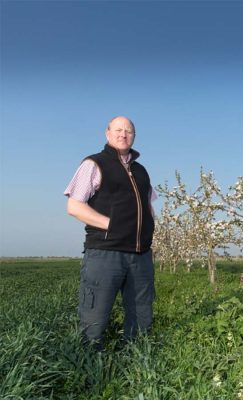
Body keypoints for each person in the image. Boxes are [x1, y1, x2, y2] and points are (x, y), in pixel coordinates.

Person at [64, 116, 156, 351]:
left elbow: (148, 206)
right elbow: (75, 206)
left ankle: (137, 365)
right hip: (106, 252)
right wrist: (112, 225)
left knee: (141, 315)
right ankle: (90, 370)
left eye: (129, 131)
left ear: (134, 136)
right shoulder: (94, 164)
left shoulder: (141, 171)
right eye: (118, 129)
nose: (123, 134)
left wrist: (148, 229)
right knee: (95, 315)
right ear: (107, 133)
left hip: (141, 255)